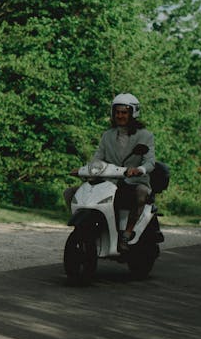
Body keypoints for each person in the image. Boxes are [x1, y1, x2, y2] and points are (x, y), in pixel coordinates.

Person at [65, 93, 156, 249]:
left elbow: (150, 161)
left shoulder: (145, 135)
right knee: (70, 193)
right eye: (117, 112)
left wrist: (139, 169)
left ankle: (127, 234)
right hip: (109, 181)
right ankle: (84, 226)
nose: (120, 116)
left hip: (134, 181)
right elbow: (97, 159)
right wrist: (84, 169)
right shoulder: (107, 135)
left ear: (133, 113)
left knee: (141, 193)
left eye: (124, 112)